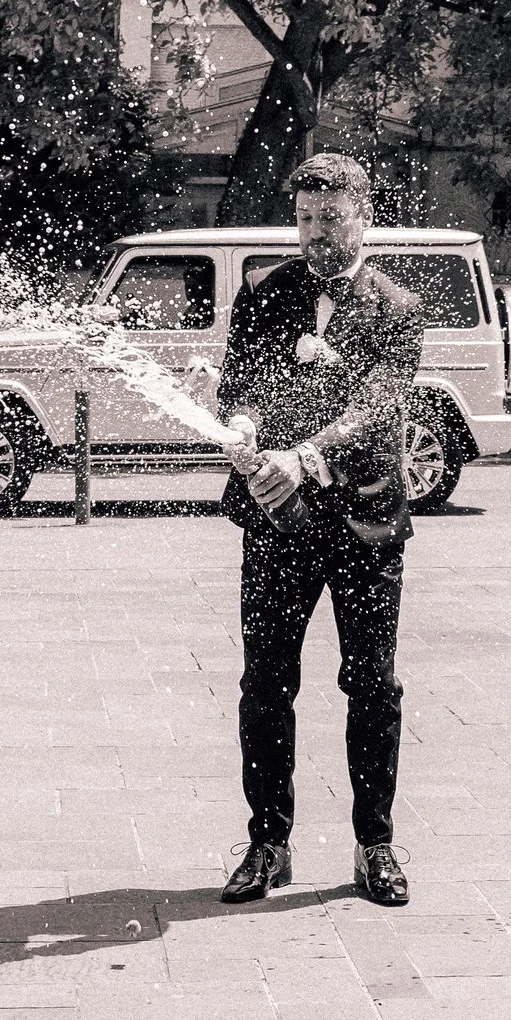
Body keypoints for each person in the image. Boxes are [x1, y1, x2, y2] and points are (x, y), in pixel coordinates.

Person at [216, 153, 420, 907]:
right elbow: (240, 386)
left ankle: (375, 845)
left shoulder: (398, 308)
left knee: (373, 683)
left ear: (363, 216)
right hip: (275, 522)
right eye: (304, 218)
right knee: (264, 683)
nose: (314, 234)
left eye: (330, 218)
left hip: (365, 520)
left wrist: (303, 457)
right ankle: (268, 843)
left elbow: (376, 404)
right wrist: (242, 434)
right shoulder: (264, 294)